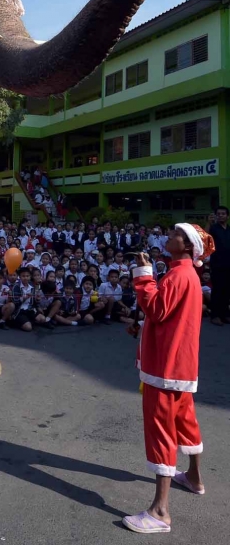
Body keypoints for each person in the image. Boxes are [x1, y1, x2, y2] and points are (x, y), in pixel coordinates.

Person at [122, 223, 214, 535]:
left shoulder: (178, 274)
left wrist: (144, 274)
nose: (169, 236)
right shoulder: (186, 273)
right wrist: (143, 326)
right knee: (186, 423)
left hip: (165, 367)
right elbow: (165, 316)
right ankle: (194, 478)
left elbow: (156, 308)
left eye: (176, 234)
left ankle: (160, 511)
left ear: (187, 246)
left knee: (161, 430)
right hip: (181, 366)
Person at [206, 206, 230, 325]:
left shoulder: (229, 229)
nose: (221, 215)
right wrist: (208, 224)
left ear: (227, 216)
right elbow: (205, 238)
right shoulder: (213, 228)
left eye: (223, 213)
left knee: (227, 290)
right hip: (217, 264)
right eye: (219, 213)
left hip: (228, 264)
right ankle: (215, 315)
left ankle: (225, 314)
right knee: (217, 290)